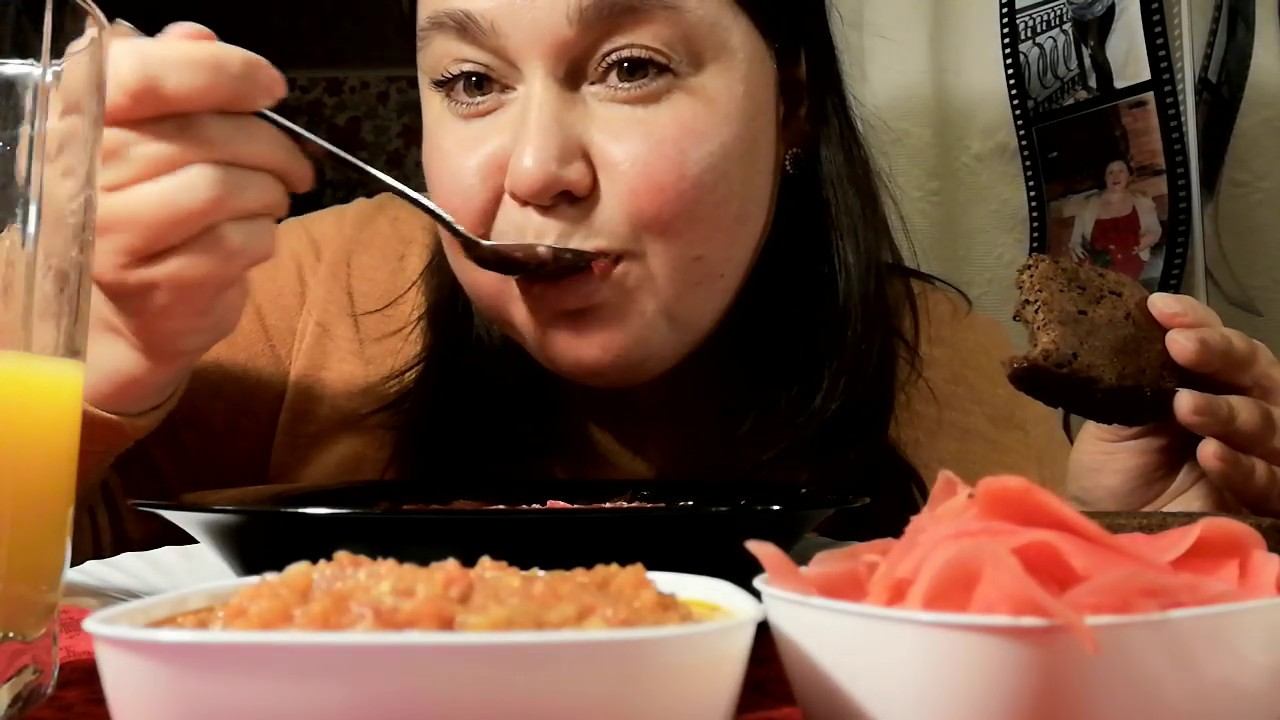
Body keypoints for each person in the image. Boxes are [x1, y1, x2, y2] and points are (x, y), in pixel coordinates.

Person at [74, 0, 1280, 564]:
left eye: (630, 67)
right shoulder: (271, 312)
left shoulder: (958, 392)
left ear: (790, 101)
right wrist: (91, 381)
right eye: (471, 83)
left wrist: (1133, 552)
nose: (533, 172)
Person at [1068, 158, 1162, 279]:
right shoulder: (1087, 206)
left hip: (1135, 269)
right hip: (1101, 272)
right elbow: (1074, 241)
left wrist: (1142, 243)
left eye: (1121, 171)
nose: (1116, 176)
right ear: (1105, 177)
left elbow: (1155, 231)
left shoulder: (1142, 201)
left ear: (1129, 175)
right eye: (1110, 172)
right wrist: (1076, 247)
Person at [1068, 0, 1118, 95]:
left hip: (1099, 9)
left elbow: (1094, 9)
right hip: (1078, 13)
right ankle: (1103, 89)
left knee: (1096, 50)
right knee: (1093, 53)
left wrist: (1093, 31)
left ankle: (1109, 90)